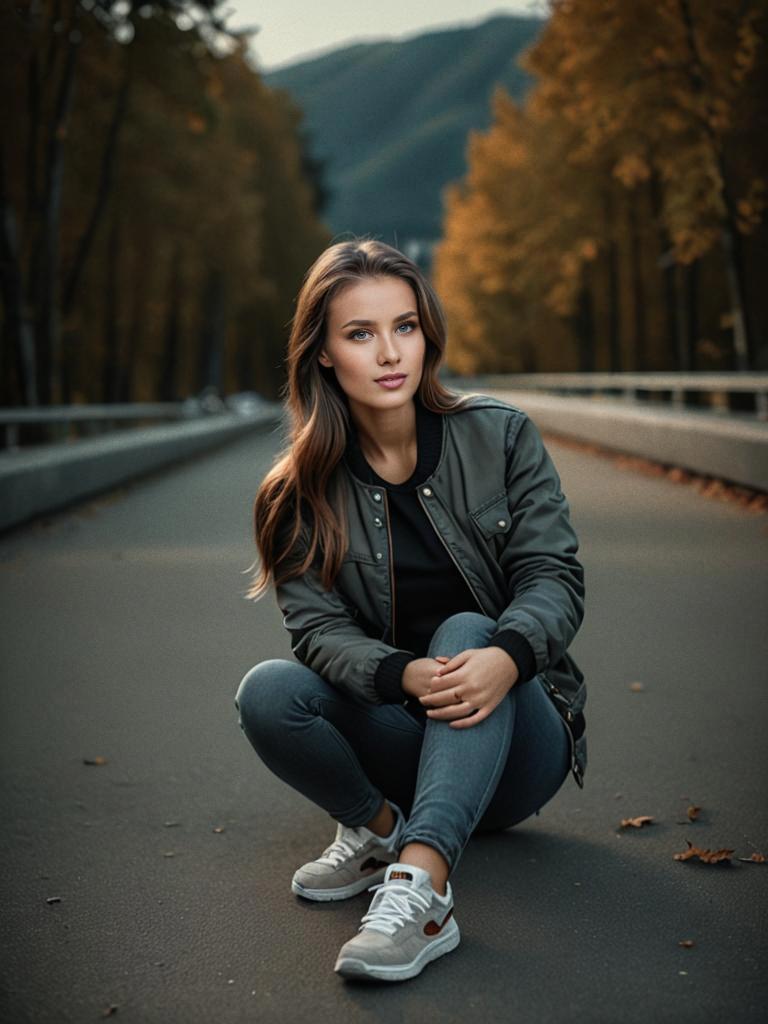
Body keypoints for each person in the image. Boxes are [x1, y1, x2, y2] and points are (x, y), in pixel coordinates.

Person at [235, 237, 587, 983]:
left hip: (522, 737)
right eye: (360, 334)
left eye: (405, 326)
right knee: (268, 693)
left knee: (467, 629)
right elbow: (317, 633)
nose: (390, 352)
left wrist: (508, 656)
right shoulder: (296, 494)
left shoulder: (501, 436)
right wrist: (404, 677)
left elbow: (553, 576)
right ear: (324, 354)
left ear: (427, 332)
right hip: (409, 735)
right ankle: (382, 832)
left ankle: (422, 892)